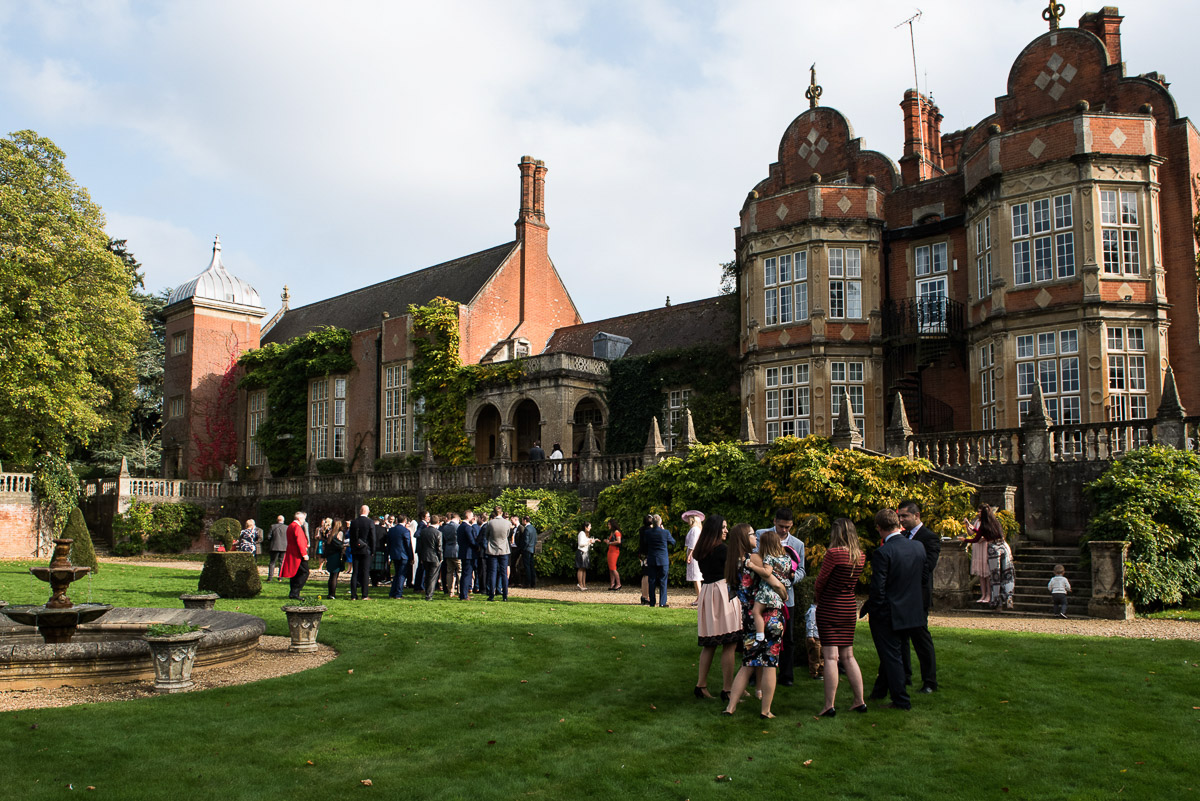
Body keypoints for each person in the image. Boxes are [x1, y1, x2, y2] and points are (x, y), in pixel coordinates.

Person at [722, 523, 792, 719]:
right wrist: (783, 592)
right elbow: (773, 580)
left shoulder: (733, 561)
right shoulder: (753, 558)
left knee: (748, 662)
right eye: (753, 534)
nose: (756, 538)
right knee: (770, 662)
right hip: (769, 614)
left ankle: (731, 707)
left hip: (750, 617)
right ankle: (765, 710)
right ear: (745, 538)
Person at [862, 508, 927, 710]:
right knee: (890, 654)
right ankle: (879, 691)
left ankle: (901, 700)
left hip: (889, 612)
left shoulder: (884, 552)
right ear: (898, 525)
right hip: (912, 610)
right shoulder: (918, 548)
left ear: (879, 528)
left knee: (891, 656)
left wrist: (874, 608)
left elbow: (878, 588)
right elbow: (922, 579)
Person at [813, 518, 867, 716]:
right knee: (848, 655)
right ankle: (859, 700)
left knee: (830, 657)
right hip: (848, 606)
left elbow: (820, 582)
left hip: (830, 605)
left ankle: (829, 704)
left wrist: (819, 599)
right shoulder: (859, 555)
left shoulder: (834, 554)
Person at [754, 508, 806, 686]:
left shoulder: (797, 544)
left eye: (788, 527)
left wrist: (792, 577)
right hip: (763, 595)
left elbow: (802, 570)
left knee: (787, 638)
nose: (784, 530)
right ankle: (756, 675)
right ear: (774, 521)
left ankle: (786, 676)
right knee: (760, 635)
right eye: (781, 526)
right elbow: (755, 559)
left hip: (786, 598)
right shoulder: (762, 535)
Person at [693, 514, 741, 702]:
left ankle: (701, 685)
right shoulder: (722, 550)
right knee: (729, 643)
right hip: (722, 592)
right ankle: (727, 689)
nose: (726, 531)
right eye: (723, 527)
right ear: (715, 530)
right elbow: (735, 572)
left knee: (710, 643)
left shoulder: (702, 550)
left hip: (707, 593)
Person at [897, 499, 939, 694]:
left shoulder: (928, 537)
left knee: (921, 639)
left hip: (918, 595)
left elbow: (927, 568)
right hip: (901, 595)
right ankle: (905, 676)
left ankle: (930, 681)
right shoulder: (902, 536)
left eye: (904, 516)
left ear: (916, 515)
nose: (901, 520)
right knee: (901, 638)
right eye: (899, 516)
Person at [750, 529, 789, 643]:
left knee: (756, 611)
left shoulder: (769, 558)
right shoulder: (786, 558)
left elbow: (767, 572)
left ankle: (760, 635)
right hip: (779, 595)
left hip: (767, 591)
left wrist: (753, 566)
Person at [641, 514, 675, 607]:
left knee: (651, 581)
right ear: (660, 523)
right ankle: (662, 603)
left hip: (652, 559)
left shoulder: (648, 533)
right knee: (663, 581)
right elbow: (673, 542)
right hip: (663, 559)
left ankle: (652, 602)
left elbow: (645, 543)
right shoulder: (665, 532)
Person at [963, 507, 992, 603]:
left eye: (980, 511)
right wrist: (967, 525)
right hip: (978, 547)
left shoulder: (988, 523)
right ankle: (983, 594)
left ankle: (989, 594)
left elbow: (987, 535)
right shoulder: (977, 522)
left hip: (984, 546)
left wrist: (981, 538)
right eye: (978, 511)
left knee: (986, 572)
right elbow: (971, 533)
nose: (978, 513)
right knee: (981, 573)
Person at [483, 506, 512, 601]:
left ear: (494, 513)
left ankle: (491, 594)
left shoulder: (490, 523)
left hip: (492, 549)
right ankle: (505, 595)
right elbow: (508, 534)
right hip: (504, 549)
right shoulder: (507, 523)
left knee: (492, 572)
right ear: (502, 512)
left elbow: (487, 535)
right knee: (504, 573)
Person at [280, 511, 310, 600]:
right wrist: (304, 554)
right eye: (303, 519)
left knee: (295, 573)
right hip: (298, 554)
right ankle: (295, 592)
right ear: (299, 519)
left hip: (292, 552)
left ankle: (293, 592)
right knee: (304, 572)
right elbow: (299, 541)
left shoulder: (291, 526)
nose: (304, 521)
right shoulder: (296, 527)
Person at [348, 505, 375, 601]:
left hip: (356, 549)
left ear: (360, 511)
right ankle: (364, 595)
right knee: (365, 572)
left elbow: (351, 537)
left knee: (355, 572)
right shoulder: (370, 522)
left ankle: (354, 595)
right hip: (366, 550)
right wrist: (373, 550)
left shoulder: (354, 522)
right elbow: (372, 538)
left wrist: (353, 547)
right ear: (368, 512)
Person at [416, 513, 443, 602]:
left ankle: (427, 592)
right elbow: (439, 547)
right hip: (434, 557)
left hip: (425, 556)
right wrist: (441, 557)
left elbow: (420, 544)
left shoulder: (424, 531)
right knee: (433, 577)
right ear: (438, 522)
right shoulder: (438, 533)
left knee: (427, 575)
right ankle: (429, 595)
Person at [386, 515, 412, 599]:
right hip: (403, 555)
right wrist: (411, 557)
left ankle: (392, 593)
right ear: (405, 521)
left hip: (394, 554)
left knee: (397, 574)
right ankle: (398, 593)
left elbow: (389, 544)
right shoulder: (405, 531)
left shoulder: (391, 530)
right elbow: (408, 545)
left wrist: (388, 555)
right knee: (401, 575)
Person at [683, 510, 705, 605]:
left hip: (694, 554)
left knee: (696, 577)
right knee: (696, 577)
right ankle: (699, 597)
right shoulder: (696, 529)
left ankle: (700, 597)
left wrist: (689, 555)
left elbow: (693, 543)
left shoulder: (694, 530)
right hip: (695, 553)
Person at [440, 513, 461, 597]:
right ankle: (460, 590)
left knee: (449, 572)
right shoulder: (458, 527)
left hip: (448, 550)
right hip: (456, 550)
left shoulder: (445, 527)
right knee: (459, 571)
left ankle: (450, 591)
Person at [324, 519, 345, 599]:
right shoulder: (339, 533)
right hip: (336, 556)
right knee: (335, 576)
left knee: (332, 576)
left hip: (330, 556)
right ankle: (332, 594)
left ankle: (330, 593)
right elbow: (340, 545)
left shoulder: (330, 533)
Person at [575, 521, 597, 591]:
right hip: (581, 552)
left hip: (585, 552)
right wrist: (589, 542)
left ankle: (584, 585)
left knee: (584, 569)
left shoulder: (585, 534)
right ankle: (580, 584)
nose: (590, 527)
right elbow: (581, 543)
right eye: (589, 526)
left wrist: (594, 540)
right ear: (585, 527)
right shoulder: (581, 533)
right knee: (581, 568)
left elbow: (587, 541)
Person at [267, 515, 288, 582]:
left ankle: (270, 577)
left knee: (272, 562)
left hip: (274, 546)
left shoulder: (273, 526)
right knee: (282, 562)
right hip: (284, 547)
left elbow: (269, 537)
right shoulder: (287, 527)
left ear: (277, 520)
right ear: (283, 520)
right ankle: (280, 577)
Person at [604, 518, 622, 591]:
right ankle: (612, 584)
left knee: (613, 568)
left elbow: (619, 541)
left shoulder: (617, 532)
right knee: (611, 568)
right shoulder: (612, 532)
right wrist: (608, 541)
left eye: (609, 524)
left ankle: (618, 583)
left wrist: (610, 543)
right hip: (610, 550)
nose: (608, 526)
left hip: (614, 551)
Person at [520, 515, 537, 588]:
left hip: (527, 550)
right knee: (531, 566)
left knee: (527, 567)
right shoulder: (533, 528)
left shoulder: (526, 529)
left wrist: (523, 549)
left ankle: (528, 582)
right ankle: (533, 582)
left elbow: (526, 541)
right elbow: (535, 539)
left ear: (525, 520)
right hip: (532, 549)